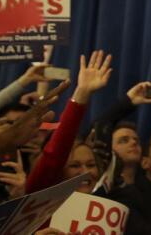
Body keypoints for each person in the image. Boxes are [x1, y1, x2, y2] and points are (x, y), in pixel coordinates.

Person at [26, 50, 113, 194]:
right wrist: (82, 92)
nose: (85, 172)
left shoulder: (109, 203)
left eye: (91, 165)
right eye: (74, 166)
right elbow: (56, 152)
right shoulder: (41, 191)